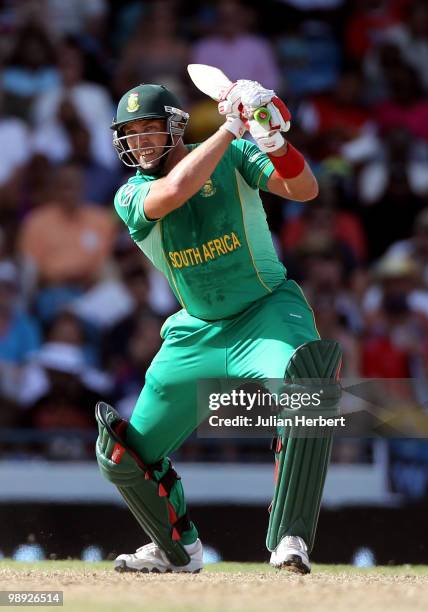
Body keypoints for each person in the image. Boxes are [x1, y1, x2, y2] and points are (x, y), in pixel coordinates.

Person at [95, 79, 342, 574]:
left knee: (310, 387)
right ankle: (176, 549)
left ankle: (290, 535)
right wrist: (233, 125)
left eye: (150, 130)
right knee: (120, 453)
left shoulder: (235, 156)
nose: (140, 143)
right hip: (196, 332)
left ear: (176, 128)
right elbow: (174, 191)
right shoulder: (132, 193)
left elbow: (304, 188)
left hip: (266, 310)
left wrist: (271, 139)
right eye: (131, 134)